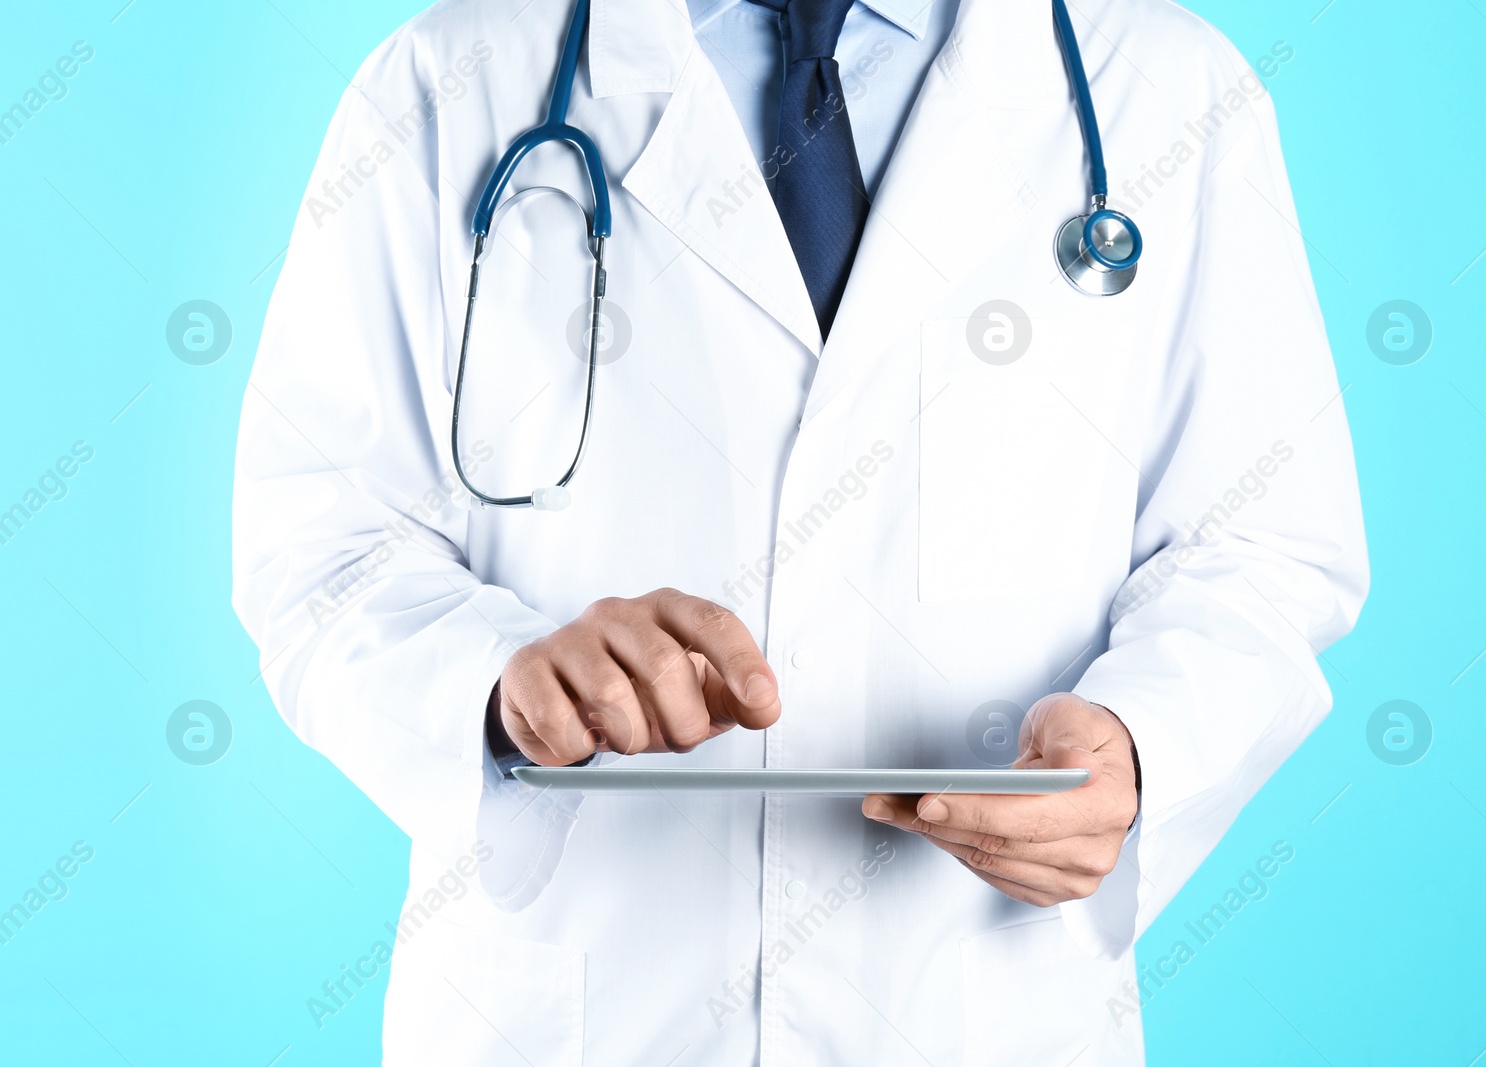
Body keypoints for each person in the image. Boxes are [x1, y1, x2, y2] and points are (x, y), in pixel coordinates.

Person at [232, 0, 1367, 1061]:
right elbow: (321, 541)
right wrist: (498, 679)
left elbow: (1261, 546)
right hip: (582, 1013)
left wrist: (1140, 744)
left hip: (972, 1010)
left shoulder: (1170, 92)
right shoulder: (456, 77)